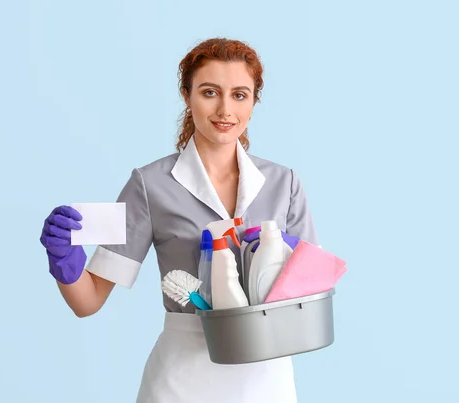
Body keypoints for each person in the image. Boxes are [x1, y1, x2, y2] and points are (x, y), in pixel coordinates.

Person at [39, 37, 319, 403]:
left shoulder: (285, 184)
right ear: (187, 96)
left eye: (239, 94)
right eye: (209, 92)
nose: (224, 109)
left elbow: (310, 298)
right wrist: (66, 264)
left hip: (266, 381)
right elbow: (87, 302)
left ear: (253, 102)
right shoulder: (150, 184)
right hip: (181, 381)